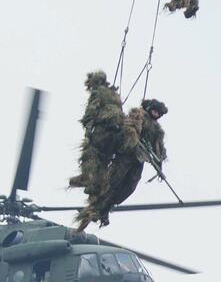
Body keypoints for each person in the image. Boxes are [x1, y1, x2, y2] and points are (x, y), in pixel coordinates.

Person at [77, 99, 168, 229]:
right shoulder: (139, 115)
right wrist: (135, 140)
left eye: (159, 113)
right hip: (126, 155)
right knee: (113, 182)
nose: (156, 114)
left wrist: (159, 165)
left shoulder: (157, 130)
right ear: (149, 108)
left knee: (130, 186)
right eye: (155, 111)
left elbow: (159, 149)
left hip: (139, 160)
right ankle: (96, 207)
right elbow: (129, 129)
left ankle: (107, 208)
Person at [69, 71, 124, 203]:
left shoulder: (97, 92)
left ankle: (89, 181)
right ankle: (99, 190)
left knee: (90, 154)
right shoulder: (115, 95)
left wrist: (88, 127)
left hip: (102, 131)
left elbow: (92, 110)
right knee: (104, 162)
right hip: (116, 134)